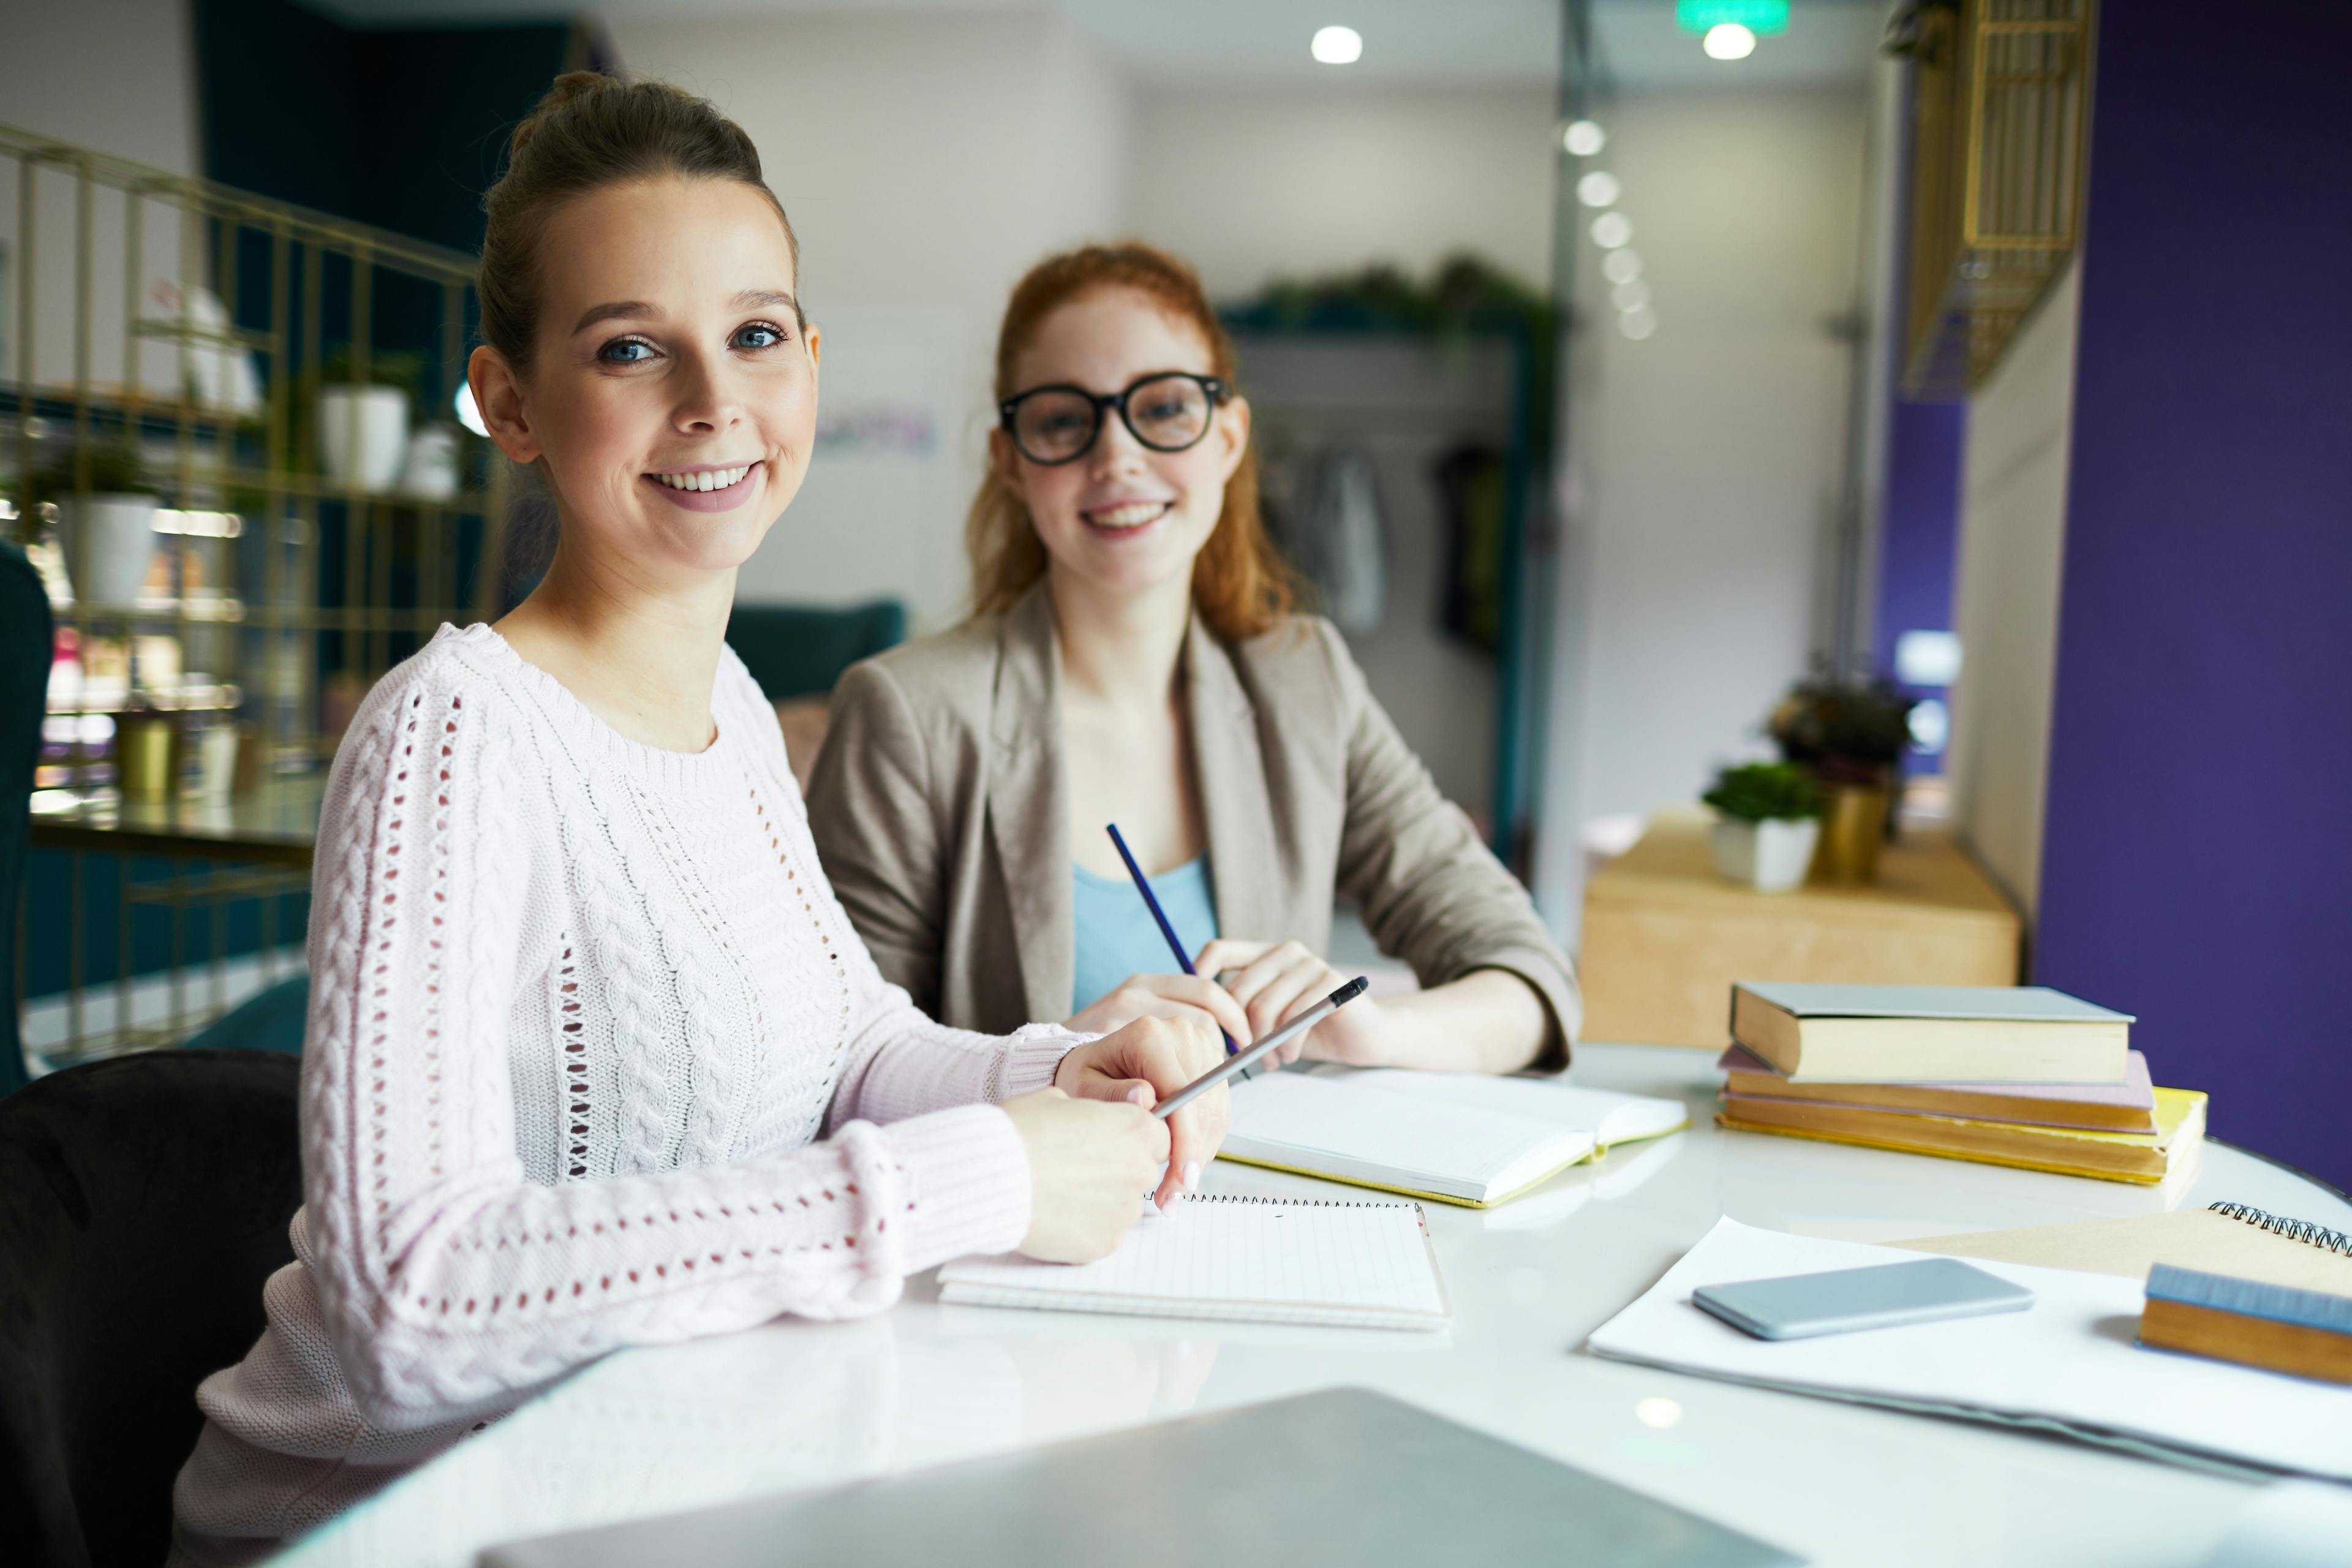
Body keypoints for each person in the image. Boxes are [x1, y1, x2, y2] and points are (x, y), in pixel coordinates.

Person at [168, 80, 1227, 1567]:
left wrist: (1063, 1070)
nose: (715, 401)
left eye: (755, 334)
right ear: (512, 403)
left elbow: (848, 1049)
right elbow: (410, 1298)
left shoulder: (730, 706)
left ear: (808, 363)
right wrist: (986, 1175)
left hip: (658, 1478)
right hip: (392, 1527)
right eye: (628, 348)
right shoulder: (453, 729)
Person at [806, 244, 1578, 1075]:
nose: (1117, 457)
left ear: (1229, 436)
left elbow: (1530, 978)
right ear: (1011, 461)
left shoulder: (1305, 682)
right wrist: (1054, 1060)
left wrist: (1369, 1029)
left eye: (1165, 407)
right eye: (1065, 420)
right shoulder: (909, 713)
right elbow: (842, 1073)